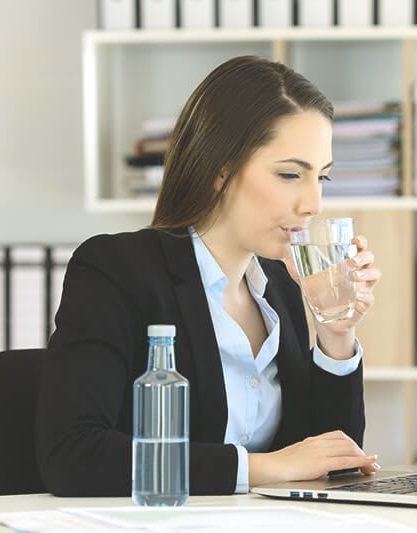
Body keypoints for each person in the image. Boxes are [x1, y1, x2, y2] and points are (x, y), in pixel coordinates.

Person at [35, 55, 382, 496]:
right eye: (291, 174)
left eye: (323, 178)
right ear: (220, 171)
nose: (313, 204)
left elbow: (327, 460)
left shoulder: (278, 287)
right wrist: (258, 468)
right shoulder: (116, 269)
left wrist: (336, 333)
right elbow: (73, 455)